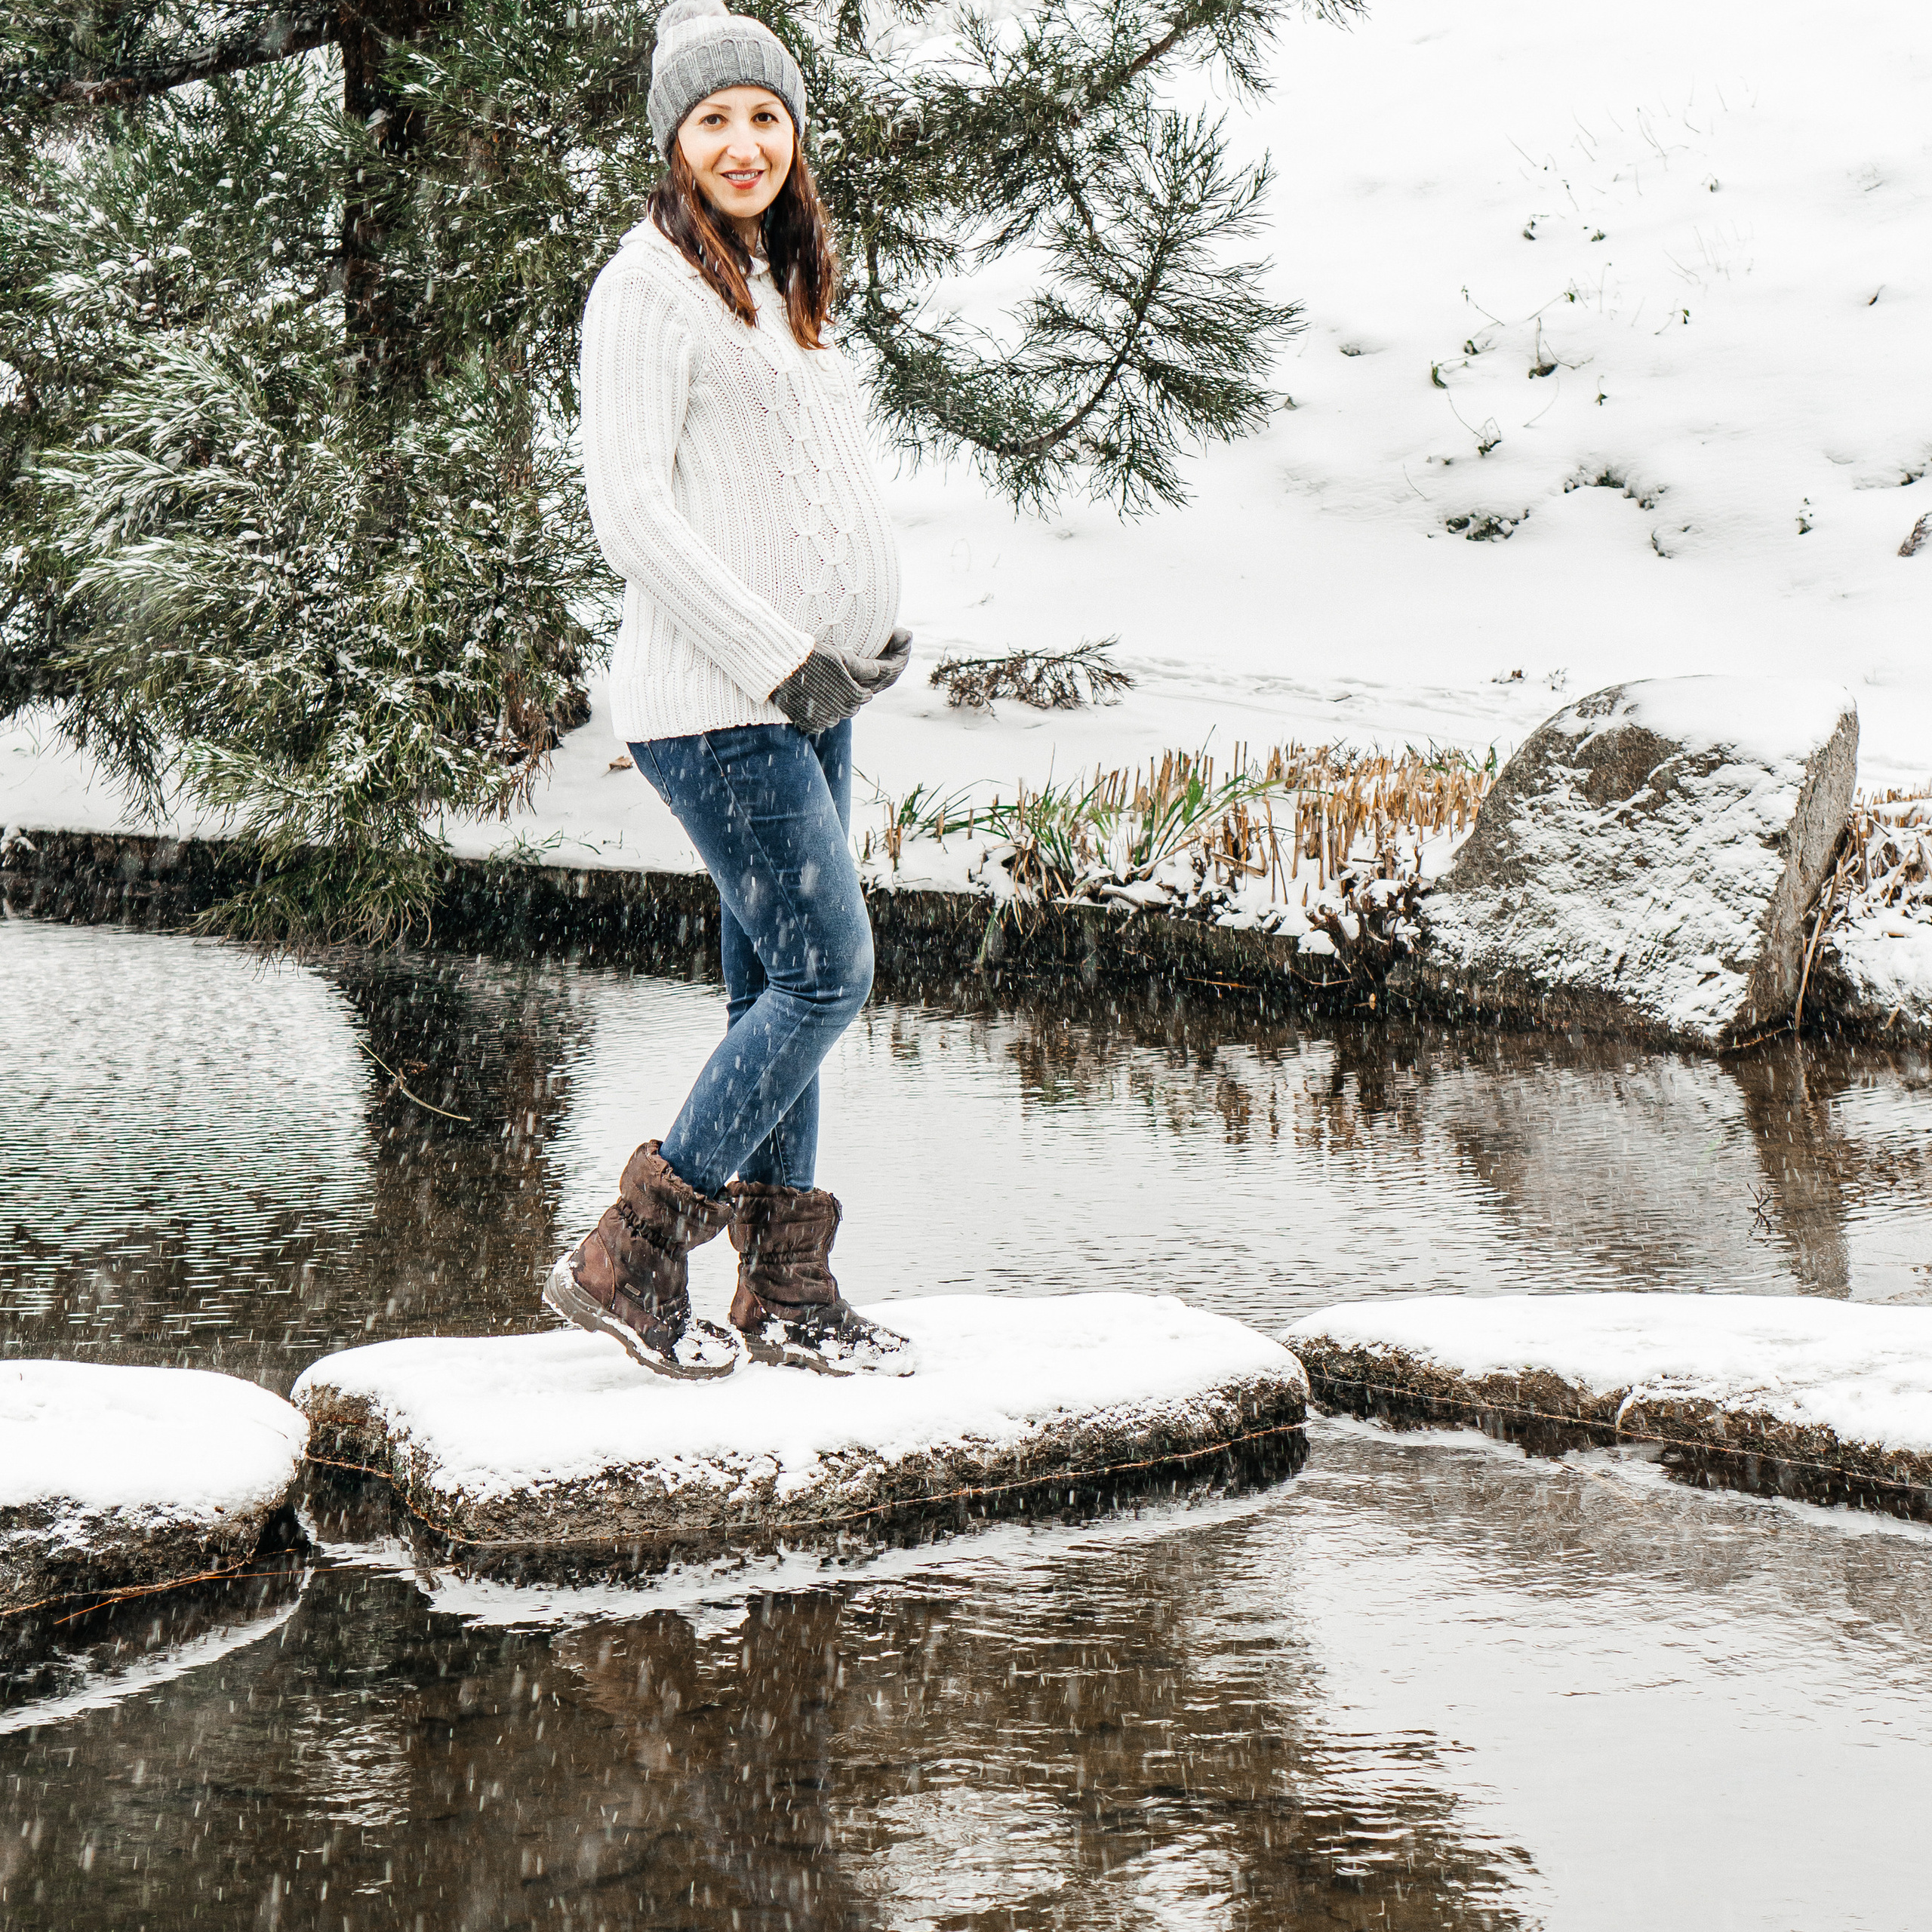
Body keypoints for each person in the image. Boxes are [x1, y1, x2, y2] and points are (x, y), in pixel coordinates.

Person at [548, 0, 912, 1381]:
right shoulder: (645, 289)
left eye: (766, 116)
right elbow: (632, 515)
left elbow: (797, 489)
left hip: (812, 696)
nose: (745, 142)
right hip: (723, 703)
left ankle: (787, 1289)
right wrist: (781, 657)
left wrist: (861, 631)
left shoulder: (773, 276)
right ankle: (634, 1253)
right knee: (828, 974)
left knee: (776, 983)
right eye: (714, 120)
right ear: (675, 141)